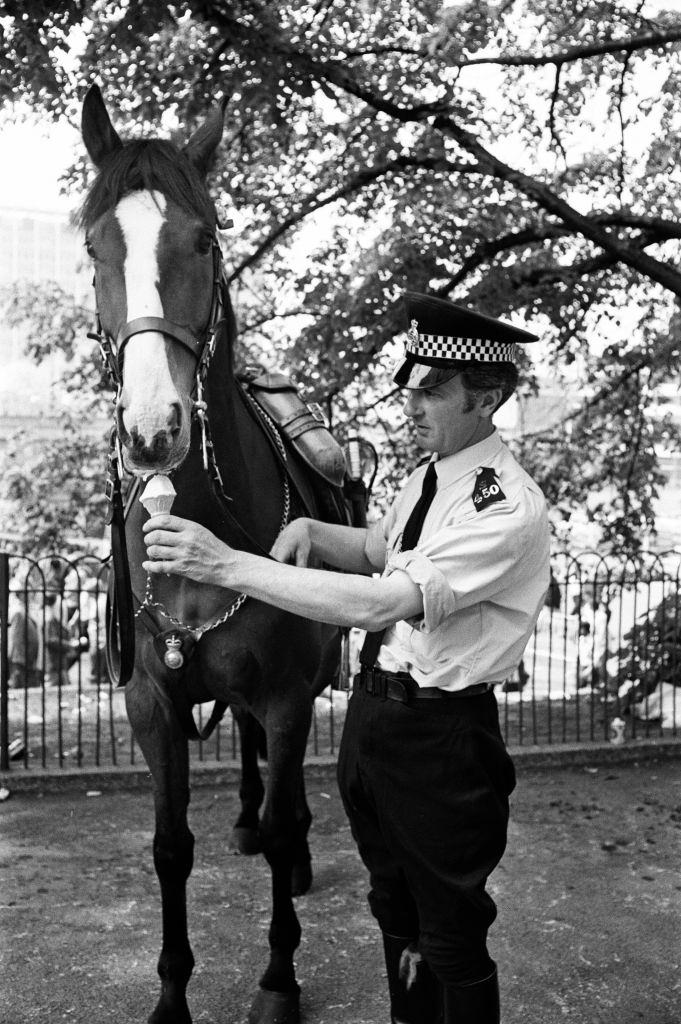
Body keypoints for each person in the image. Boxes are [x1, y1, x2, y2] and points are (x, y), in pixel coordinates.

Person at [142, 292, 551, 1024]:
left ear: (487, 397)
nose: (412, 407)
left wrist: (227, 564)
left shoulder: (502, 504)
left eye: (433, 392)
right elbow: (376, 553)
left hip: (441, 740)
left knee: (451, 933)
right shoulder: (432, 474)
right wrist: (311, 529)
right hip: (377, 724)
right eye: (410, 390)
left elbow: (382, 601)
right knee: (392, 907)